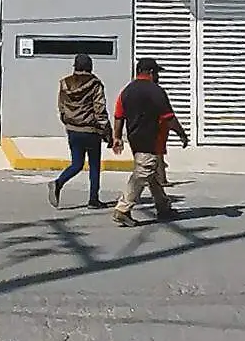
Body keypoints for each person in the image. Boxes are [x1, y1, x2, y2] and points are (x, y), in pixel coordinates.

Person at [110, 58, 190, 227]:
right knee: (143, 172)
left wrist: (117, 137)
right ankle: (123, 209)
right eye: (157, 73)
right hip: (150, 138)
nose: (158, 76)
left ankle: (163, 207)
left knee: (151, 173)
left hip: (134, 138)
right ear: (151, 72)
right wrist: (182, 134)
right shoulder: (156, 91)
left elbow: (118, 115)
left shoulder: (127, 91)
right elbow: (169, 117)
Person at [48, 53, 112, 209]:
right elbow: (99, 109)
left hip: (73, 129)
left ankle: (58, 183)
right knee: (94, 166)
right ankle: (93, 200)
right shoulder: (95, 84)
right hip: (91, 130)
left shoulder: (65, 83)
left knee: (77, 164)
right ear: (90, 67)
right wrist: (107, 131)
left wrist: (67, 121)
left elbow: (61, 107)